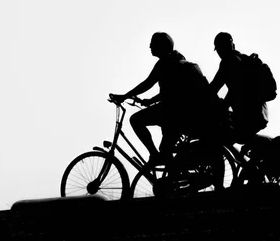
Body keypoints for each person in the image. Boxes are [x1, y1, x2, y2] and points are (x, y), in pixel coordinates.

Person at [111, 32, 214, 165]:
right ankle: (171, 176)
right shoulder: (178, 60)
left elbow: (147, 84)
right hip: (183, 112)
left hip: (173, 112)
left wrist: (124, 96)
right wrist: (150, 101)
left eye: (153, 43)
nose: (150, 46)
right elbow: (173, 90)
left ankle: (154, 155)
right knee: (166, 150)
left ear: (162, 46)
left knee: (136, 120)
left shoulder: (165, 63)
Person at [210, 32, 269, 143]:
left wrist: (222, 106)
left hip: (247, 117)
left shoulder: (228, 61)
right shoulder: (243, 59)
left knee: (217, 136)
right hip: (260, 114)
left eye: (218, 49)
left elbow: (218, 88)